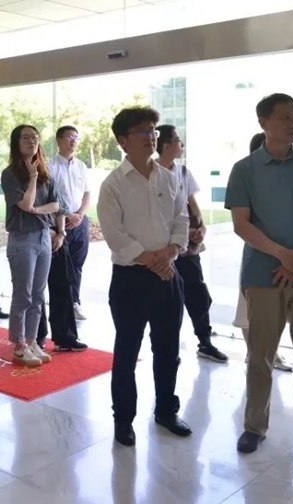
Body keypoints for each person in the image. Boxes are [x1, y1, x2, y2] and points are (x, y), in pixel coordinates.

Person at [225, 93, 293, 460]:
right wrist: (283, 255)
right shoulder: (245, 169)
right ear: (264, 123)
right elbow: (241, 224)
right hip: (263, 274)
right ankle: (254, 425)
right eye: (285, 117)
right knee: (260, 355)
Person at [97, 107, 191, 447]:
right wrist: (151, 259)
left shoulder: (169, 177)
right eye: (142, 131)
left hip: (168, 275)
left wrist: (172, 252)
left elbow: (181, 219)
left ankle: (166, 411)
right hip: (131, 279)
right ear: (123, 141)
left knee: (168, 349)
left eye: (153, 130)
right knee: (127, 352)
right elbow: (114, 234)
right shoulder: (113, 184)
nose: (151, 136)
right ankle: (123, 420)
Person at [154, 124, 228, 364]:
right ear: (166, 145)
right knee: (167, 300)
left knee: (197, 293)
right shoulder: (151, 174)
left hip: (188, 250)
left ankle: (205, 341)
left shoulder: (183, 172)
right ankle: (167, 348)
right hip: (164, 248)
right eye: (178, 140)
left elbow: (192, 203)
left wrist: (202, 227)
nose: (182, 145)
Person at [232, 132, 293, 372]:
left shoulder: (290, 175)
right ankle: (254, 353)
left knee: (280, 307)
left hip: (288, 254)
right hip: (258, 251)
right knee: (249, 307)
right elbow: (242, 223)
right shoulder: (246, 176)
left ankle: (269, 351)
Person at [1, 124, 58, 367]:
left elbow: (56, 205)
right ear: (16, 142)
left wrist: (37, 210)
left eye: (35, 137)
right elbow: (25, 204)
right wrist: (32, 178)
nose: (32, 141)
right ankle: (19, 345)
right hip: (22, 238)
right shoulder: (10, 174)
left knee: (38, 294)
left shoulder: (46, 172)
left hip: (43, 236)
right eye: (26, 138)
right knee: (22, 293)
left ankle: (32, 341)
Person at [35, 192, 88, 352]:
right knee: (35, 289)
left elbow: (59, 206)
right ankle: (36, 337)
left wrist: (61, 233)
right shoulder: (20, 181)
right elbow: (28, 209)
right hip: (34, 234)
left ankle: (65, 337)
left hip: (59, 232)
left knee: (63, 283)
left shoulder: (50, 181)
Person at [48, 126, 91, 321]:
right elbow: (51, 197)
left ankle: (74, 302)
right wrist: (68, 215)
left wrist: (79, 214)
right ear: (59, 140)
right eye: (70, 137)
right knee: (60, 268)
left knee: (77, 264)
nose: (74, 140)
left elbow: (87, 194)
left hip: (80, 223)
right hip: (59, 223)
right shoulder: (50, 167)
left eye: (76, 137)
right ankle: (61, 306)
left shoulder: (81, 166)